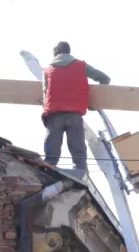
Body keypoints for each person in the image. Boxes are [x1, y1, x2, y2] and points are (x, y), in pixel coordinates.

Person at [41, 41, 110, 174]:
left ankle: (48, 168)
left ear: (56, 52)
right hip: (74, 113)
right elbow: (105, 79)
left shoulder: (48, 70)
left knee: (52, 145)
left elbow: (45, 93)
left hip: (54, 114)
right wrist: (93, 103)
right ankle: (80, 170)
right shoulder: (81, 66)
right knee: (77, 145)